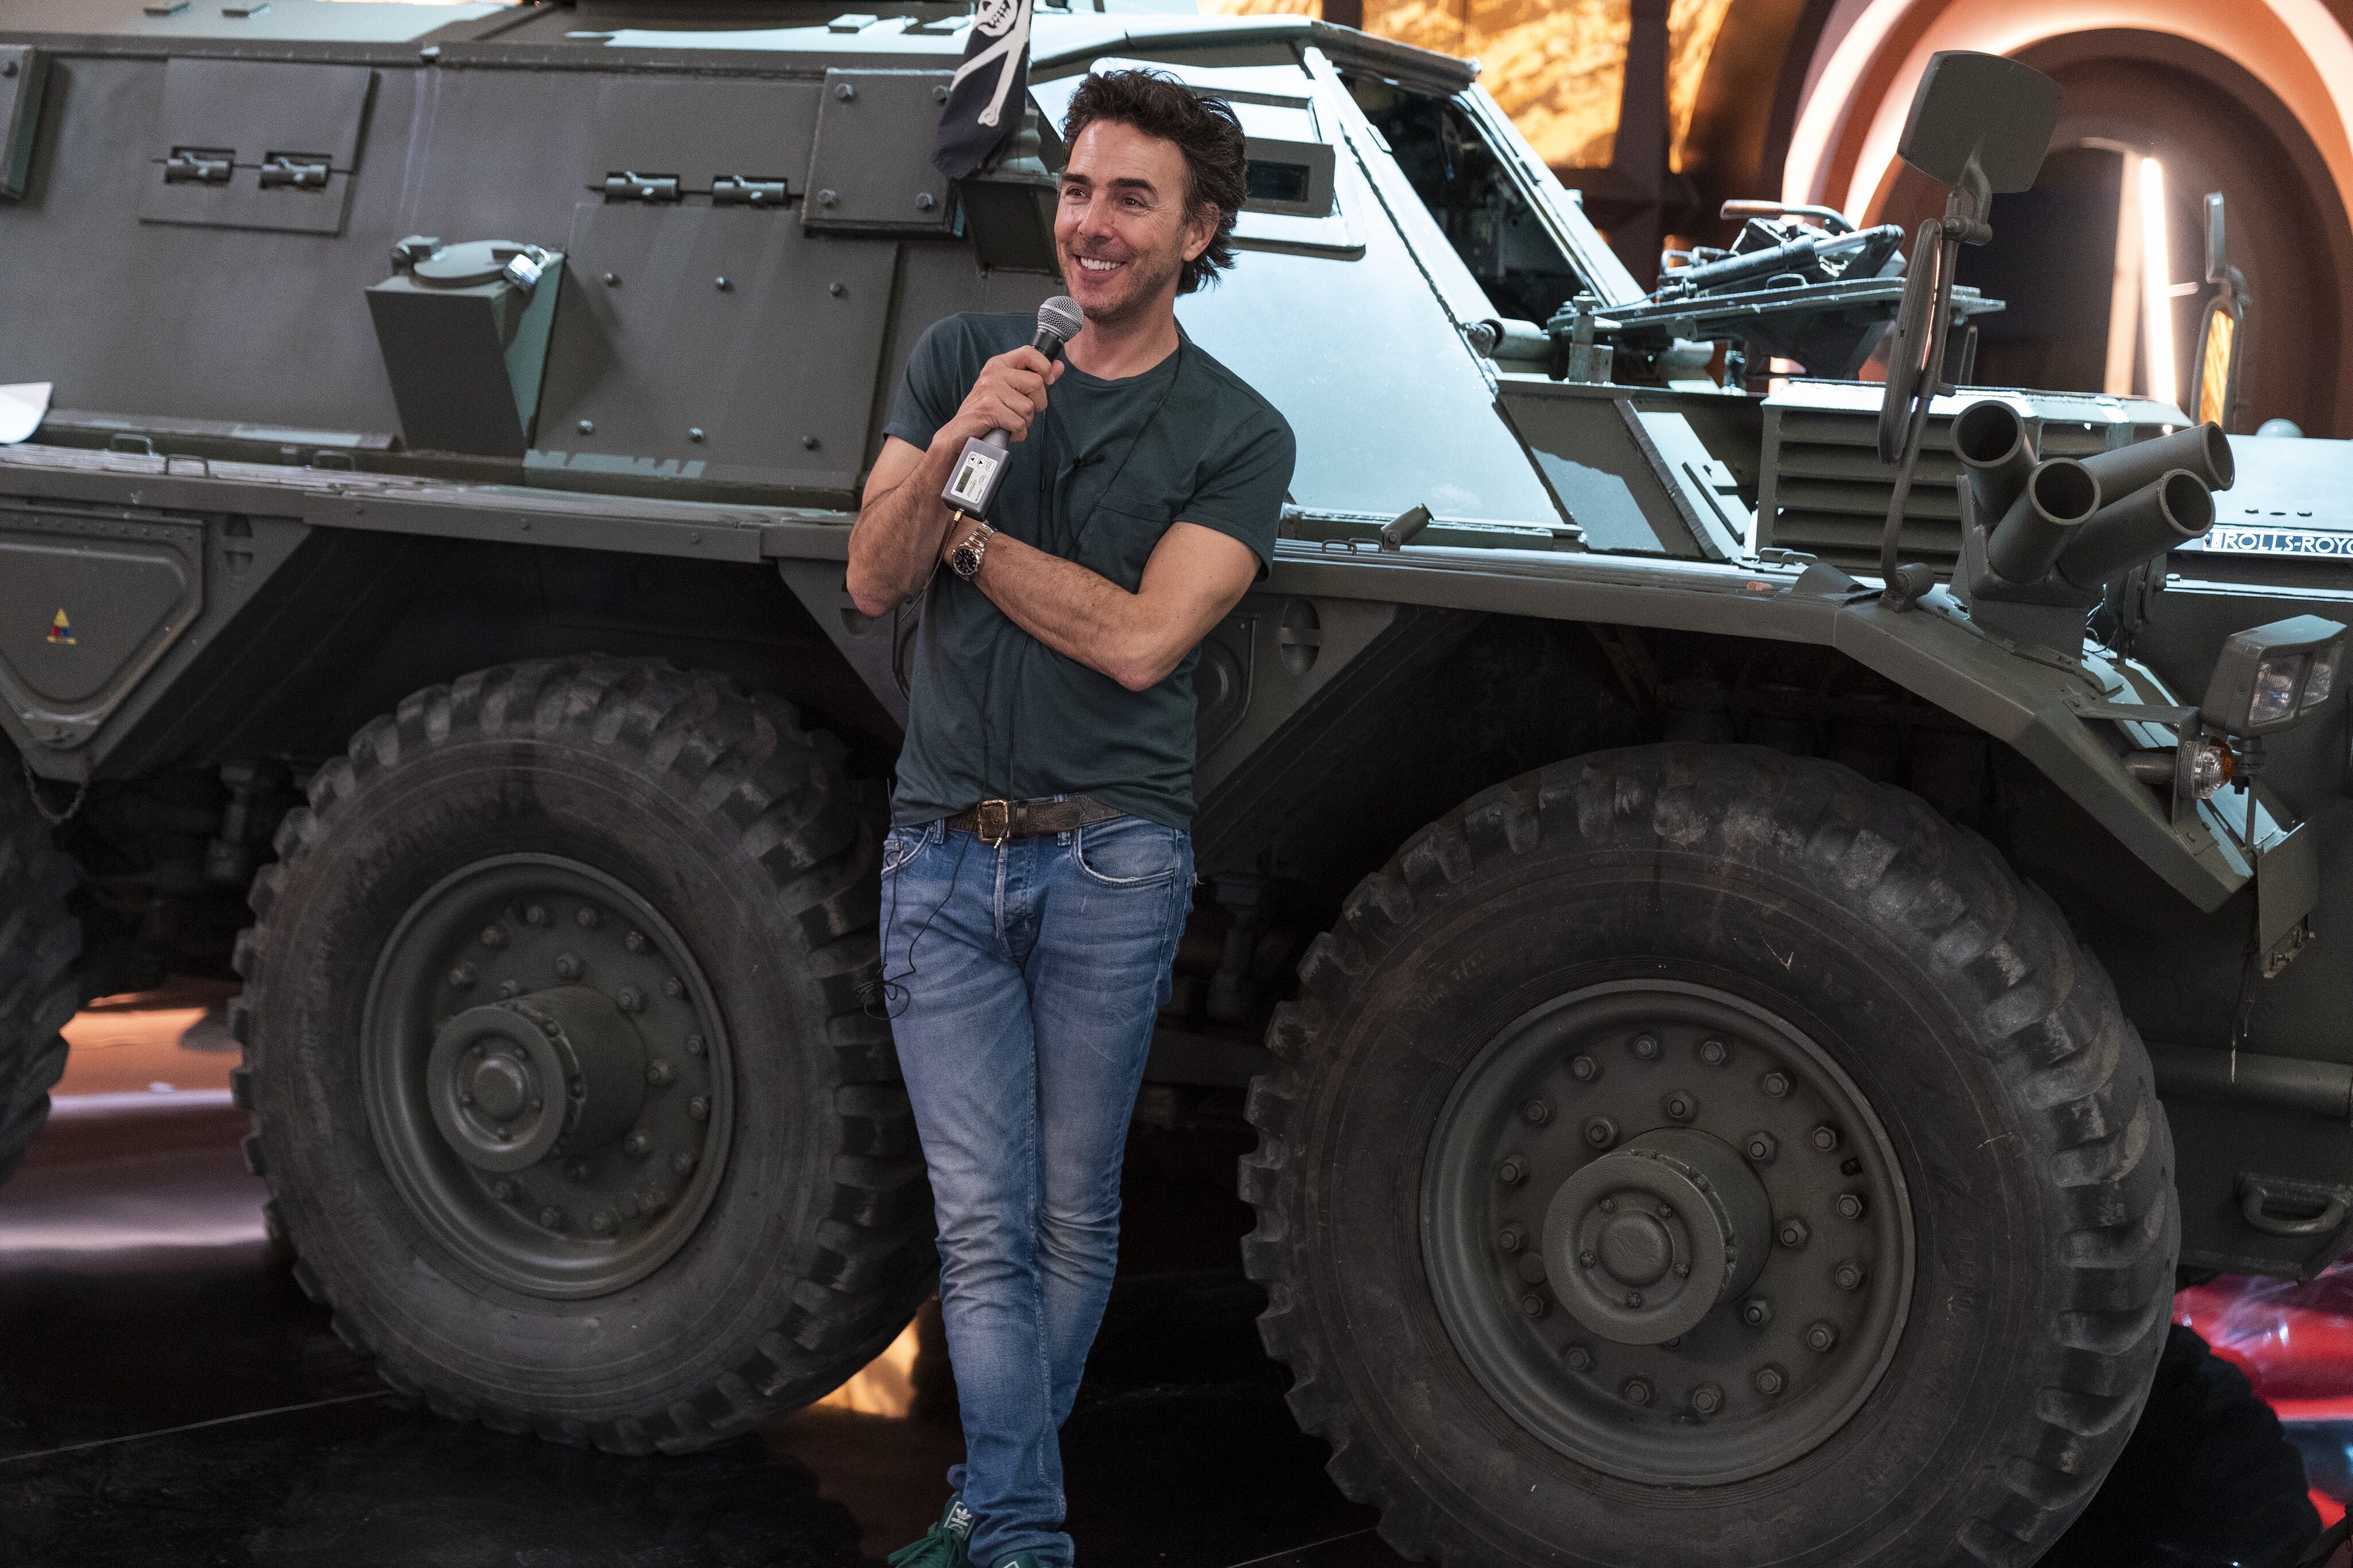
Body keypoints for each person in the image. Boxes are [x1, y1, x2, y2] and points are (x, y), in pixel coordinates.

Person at [844, 68, 1296, 1568]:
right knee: (981, 1223)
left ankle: (995, 1514)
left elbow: (1142, 640)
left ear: (1197, 232)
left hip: (1111, 852)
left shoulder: (1239, 432)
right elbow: (871, 574)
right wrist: (967, 443)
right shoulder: (969, 357)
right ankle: (1022, 1528)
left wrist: (970, 546)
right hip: (937, 849)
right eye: (1079, 191)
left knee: (1066, 1217)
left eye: (1132, 200)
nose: (1091, 227)